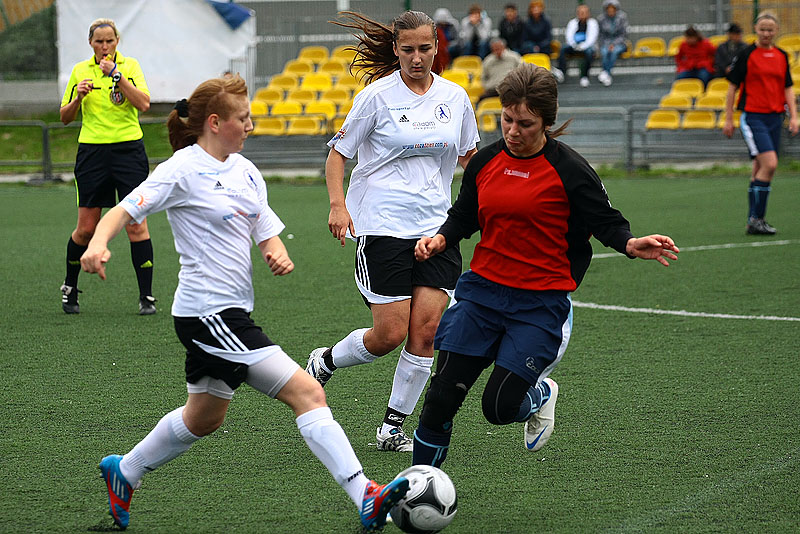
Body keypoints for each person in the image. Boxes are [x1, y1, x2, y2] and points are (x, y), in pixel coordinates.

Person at [81, 75, 409, 532]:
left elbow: (263, 226)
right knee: (309, 393)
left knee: (205, 417)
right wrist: (97, 244)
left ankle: (126, 471)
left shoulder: (246, 170)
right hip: (206, 314)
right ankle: (366, 494)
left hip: (229, 313)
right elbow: (123, 210)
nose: (251, 125)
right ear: (215, 123)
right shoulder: (182, 168)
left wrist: (275, 250)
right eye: (244, 118)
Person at [410, 63, 679, 468]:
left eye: (525, 124)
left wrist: (629, 242)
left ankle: (540, 395)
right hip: (482, 293)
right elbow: (465, 214)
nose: (513, 132)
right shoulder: (484, 163)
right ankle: (417, 486)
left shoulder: (570, 170)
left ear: (546, 123)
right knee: (440, 401)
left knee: (498, 408)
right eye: (506, 120)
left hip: (539, 304)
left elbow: (605, 221)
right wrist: (442, 237)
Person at [305, 11, 479, 453]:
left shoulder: (456, 98)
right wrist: (338, 206)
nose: (416, 58)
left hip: (436, 228)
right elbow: (337, 156)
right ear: (396, 50)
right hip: (382, 227)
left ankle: (391, 428)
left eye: (424, 49)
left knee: (427, 331)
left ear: (437, 47)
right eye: (407, 50)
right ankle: (325, 360)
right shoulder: (376, 97)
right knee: (390, 335)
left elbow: (468, 158)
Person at [59, 18, 156, 315]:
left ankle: (146, 297)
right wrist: (78, 97)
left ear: (117, 42)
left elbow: (143, 104)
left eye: (109, 41)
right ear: (91, 43)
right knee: (86, 229)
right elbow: (65, 117)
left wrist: (117, 76)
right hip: (92, 153)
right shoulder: (80, 71)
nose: (104, 47)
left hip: (129, 151)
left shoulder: (130, 66)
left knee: (136, 224)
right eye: (99, 41)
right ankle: (70, 287)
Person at [723, 12, 798, 235]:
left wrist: (794, 115)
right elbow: (731, 88)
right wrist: (728, 118)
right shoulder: (747, 54)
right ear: (755, 28)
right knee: (771, 164)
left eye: (770, 29)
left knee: (760, 168)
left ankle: (753, 221)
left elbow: (788, 87)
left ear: (776, 31)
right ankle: (757, 218)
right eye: (762, 29)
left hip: (775, 117)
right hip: (753, 117)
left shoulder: (782, 55)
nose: (766, 33)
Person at [553, 4, 598, 87]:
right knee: (562, 49)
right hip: (573, 46)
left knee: (589, 52)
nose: (582, 14)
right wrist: (574, 45)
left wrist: (582, 46)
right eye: (581, 12)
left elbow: (592, 39)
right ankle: (562, 72)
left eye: (584, 12)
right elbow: (569, 37)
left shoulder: (593, 23)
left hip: (586, 47)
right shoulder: (572, 23)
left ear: (588, 13)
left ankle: (584, 76)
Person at [596, 0, 629, 87]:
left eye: (612, 9)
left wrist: (613, 44)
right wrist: (607, 44)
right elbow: (600, 35)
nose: (611, 11)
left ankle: (606, 73)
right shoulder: (601, 19)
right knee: (604, 52)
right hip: (605, 43)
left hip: (619, 43)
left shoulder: (622, 17)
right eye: (609, 9)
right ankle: (606, 75)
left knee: (613, 52)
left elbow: (624, 34)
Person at [479, 38, 523, 102]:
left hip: (510, 89)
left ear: (504, 47)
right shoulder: (488, 61)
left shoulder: (514, 57)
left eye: (498, 48)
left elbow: (522, 72)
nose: (497, 51)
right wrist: (488, 86)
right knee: (481, 100)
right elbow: (483, 77)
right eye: (494, 49)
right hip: (493, 90)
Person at [433, 8, 459, 72]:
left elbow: (457, 39)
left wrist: (448, 46)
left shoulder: (453, 26)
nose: (442, 24)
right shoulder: (435, 28)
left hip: (451, 46)